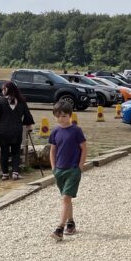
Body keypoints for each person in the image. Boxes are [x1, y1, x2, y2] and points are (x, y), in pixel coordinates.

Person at [49, 100, 87, 241]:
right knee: (67, 198)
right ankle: (70, 222)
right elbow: (53, 150)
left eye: (64, 116)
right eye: (58, 116)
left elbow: (84, 148)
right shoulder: (55, 131)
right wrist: (53, 167)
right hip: (59, 170)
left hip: (73, 170)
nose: (61, 119)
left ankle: (60, 228)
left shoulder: (76, 131)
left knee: (65, 198)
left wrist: (80, 166)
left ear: (70, 115)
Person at [0, 81, 35, 181]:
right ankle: (15, 173)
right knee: (16, 152)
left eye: (4, 89)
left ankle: (5, 174)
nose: (2, 90)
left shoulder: (1, 101)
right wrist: (29, 125)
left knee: (4, 152)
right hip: (16, 130)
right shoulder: (21, 101)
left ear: (8, 90)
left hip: (3, 131)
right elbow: (27, 115)